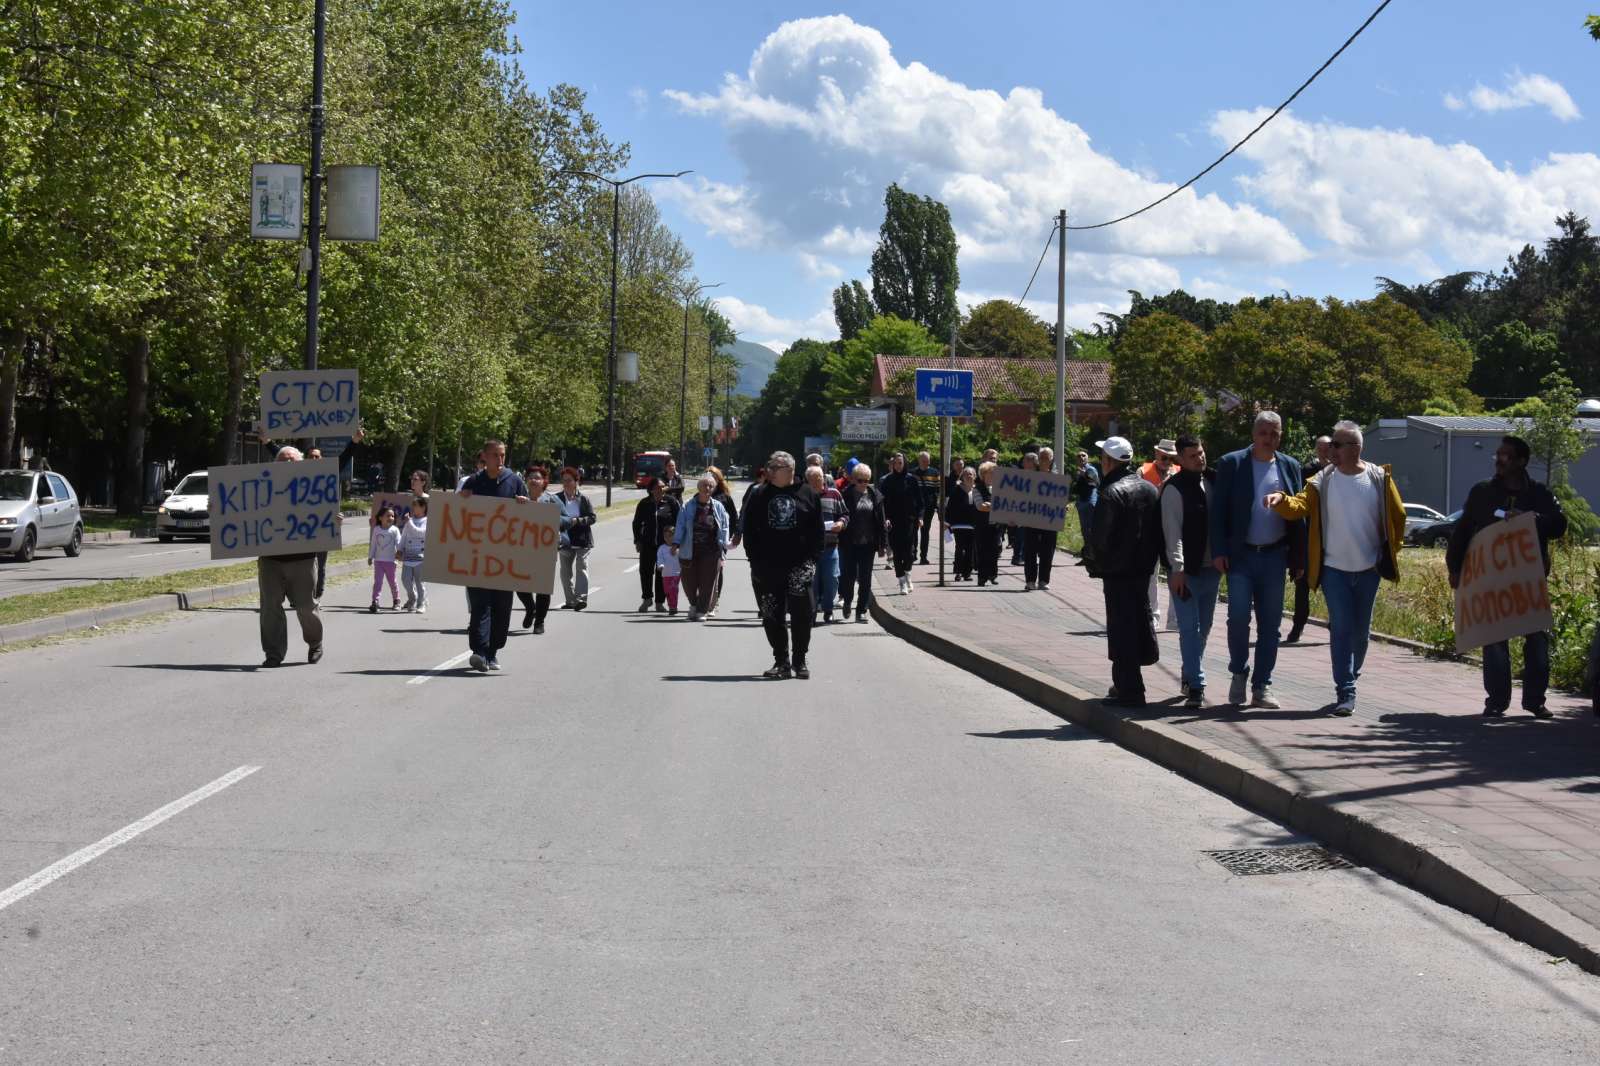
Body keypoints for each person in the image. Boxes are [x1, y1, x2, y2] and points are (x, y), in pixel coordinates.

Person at [1265, 421, 1407, 716]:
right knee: (1341, 629)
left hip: (1369, 570)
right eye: (1330, 446)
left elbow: (1398, 515)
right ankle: (1346, 690)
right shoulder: (1322, 480)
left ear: (1355, 448)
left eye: (1337, 445)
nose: (1331, 451)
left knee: (1361, 633)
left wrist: (1391, 551)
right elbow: (1300, 505)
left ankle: (1351, 676)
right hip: (1333, 570)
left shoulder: (1379, 478)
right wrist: (1280, 501)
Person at [1447, 434, 1569, 719]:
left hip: (1528, 580)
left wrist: (1531, 518)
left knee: (1537, 638)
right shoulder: (1482, 492)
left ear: (1521, 461)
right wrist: (1455, 567)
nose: (1499, 460)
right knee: (1495, 641)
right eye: (1498, 455)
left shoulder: (1539, 493)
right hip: (1492, 580)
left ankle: (1535, 701)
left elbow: (1559, 525)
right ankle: (1496, 702)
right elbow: (1463, 531)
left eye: (1506, 456)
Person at [1210, 411, 1304, 709]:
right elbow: (1219, 513)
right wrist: (1219, 551)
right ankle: (1239, 672)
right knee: (1238, 618)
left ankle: (1262, 685)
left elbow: (1299, 513)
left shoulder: (1290, 466)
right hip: (1241, 555)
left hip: (1275, 556)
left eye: (1275, 433)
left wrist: (1298, 558)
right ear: (1253, 434)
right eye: (1264, 432)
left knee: (1271, 625)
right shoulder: (1231, 463)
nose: (1269, 439)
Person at [1086, 436, 1162, 706]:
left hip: (1117, 572)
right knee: (1138, 621)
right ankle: (1129, 684)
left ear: (1108, 461)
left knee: (1121, 629)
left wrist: (1095, 565)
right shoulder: (1150, 490)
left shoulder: (1111, 492)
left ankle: (1129, 689)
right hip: (1143, 570)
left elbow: (1100, 539)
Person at [742, 451, 823, 677]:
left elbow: (818, 532)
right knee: (771, 614)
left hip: (800, 566)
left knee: (802, 614)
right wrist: (754, 559)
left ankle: (800, 660)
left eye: (773, 467)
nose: (767, 470)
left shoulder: (808, 494)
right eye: (769, 466)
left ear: (789, 470)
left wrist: (812, 561)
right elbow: (748, 529)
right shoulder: (759, 495)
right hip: (767, 566)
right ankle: (781, 661)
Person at [457, 439, 531, 672]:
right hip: (478, 557)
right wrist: (463, 501)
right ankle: (479, 652)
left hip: (505, 559)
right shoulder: (474, 481)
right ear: (484, 457)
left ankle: (493, 652)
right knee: (480, 606)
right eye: (495, 455)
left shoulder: (515, 482)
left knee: (502, 607)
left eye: (502, 455)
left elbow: (530, 518)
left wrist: (524, 503)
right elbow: (458, 514)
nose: (500, 460)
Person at [1161, 435, 1220, 709]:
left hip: (1212, 570)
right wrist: (1178, 568)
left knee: (1204, 628)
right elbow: (1174, 533)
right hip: (1186, 573)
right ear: (1180, 460)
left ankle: (1189, 672)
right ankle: (1197, 685)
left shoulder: (1213, 481)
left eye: (1201, 452)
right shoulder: (1173, 489)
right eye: (1193, 455)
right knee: (1188, 628)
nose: (1200, 458)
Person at [257, 445, 324, 667]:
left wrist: (333, 522)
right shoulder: (260, 488)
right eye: (283, 460)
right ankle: (273, 654)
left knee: (306, 606)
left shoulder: (313, 487)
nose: (287, 464)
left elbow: (324, 513)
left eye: (292, 460)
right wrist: (219, 512)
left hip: (303, 559)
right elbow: (241, 511)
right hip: (271, 560)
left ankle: (315, 643)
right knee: (270, 609)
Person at [1286, 435, 1335, 644]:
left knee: (1332, 586)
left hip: (1331, 539)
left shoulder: (1339, 472)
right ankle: (1297, 627)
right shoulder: (1306, 471)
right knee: (1302, 584)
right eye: (1321, 448)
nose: (1324, 452)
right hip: (1308, 537)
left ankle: (1336, 627)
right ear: (1316, 450)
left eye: (1328, 448)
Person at [516, 466, 566, 635]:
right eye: (530, 477)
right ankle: (531, 608)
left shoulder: (551, 500)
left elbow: (566, 519)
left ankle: (539, 622)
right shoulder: (519, 499)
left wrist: (553, 518)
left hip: (546, 549)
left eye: (537, 477)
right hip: (523, 549)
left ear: (545, 481)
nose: (534, 480)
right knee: (519, 583)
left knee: (542, 588)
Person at [672, 473, 730, 621]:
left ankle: (702, 611)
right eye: (705, 485)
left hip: (711, 550)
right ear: (698, 487)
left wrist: (724, 547)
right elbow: (680, 525)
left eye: (711, 486)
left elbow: (724, 527)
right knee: (688, 580)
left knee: (708, 582)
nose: (708, 488)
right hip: (690, 549)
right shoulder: (688, 506)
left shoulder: (718, 507)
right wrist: (676, 543)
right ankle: (693, 604)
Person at [839, 462, 886, 621]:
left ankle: (862, 610)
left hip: (869, 543)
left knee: (865, 578)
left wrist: (882, 544)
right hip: (850, 542)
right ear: (853, 479)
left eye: (866, 480)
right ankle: (847, 601)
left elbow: (881, 520)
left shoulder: (875, 495)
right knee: (848, 576)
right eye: (860, 480)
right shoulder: (845, 495)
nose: (863, 483)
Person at [632, 477, 680, 612]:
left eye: (663, 487)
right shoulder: (644, 503)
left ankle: (660, 602)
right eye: (657, 488)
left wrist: (676, 542)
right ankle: (647, 599)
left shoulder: (671, 502)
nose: (660, 490)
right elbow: (636, 523)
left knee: (661, 573)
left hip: (665, 546)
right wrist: (637, 540)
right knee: (645, 572)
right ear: (651, 489)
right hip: (647, 544)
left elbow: (679, 522)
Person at [878, 451, 923, 594]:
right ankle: (902, 581)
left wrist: (920, 517)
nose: (898, 466)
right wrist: (885, 518)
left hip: (910, 521)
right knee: (897, 552)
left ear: (904, 464)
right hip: (893, 522)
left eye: (900, 463)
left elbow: (920, 501)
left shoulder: (912, 480)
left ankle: (908, 573)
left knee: (910, 552)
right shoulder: (887, 481)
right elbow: (882, 502)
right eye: (896, 463)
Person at [807, 465, 847, 624]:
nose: (817, 483)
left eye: (819, 479)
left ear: (823, 479)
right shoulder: (804, 495)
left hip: (831, 546)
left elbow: (845, 514)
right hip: (810, 549)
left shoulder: (834, 494)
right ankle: (812, 610)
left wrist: (841, 523)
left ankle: (828, 609)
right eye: (813, 480)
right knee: (813, 581)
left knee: (832, 578)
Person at [555, 467, 596, 611]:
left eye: (569, 480)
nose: (566, 483)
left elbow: (592, 518)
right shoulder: (557, 498)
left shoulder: (584, 499)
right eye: (564, 480)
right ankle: (570, 600)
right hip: (565, 539)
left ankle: (581, 599)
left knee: (581, 567)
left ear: (576, 482)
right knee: (565, 572)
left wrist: (577, 521)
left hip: (582, 539)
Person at [1022, 446, 1058, 591]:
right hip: (1031, 519)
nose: (1044, 460)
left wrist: (1062, 506)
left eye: (1046, 458)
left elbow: (1060, 498)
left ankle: (1043, 580)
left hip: (1050, 520)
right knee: (1030, 550)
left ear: (1051, 460)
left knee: (1047, 550)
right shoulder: (1029, 476)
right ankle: (1030, 580)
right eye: (1041, 457)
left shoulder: (1056, 478)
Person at [706, 465, 740, 617]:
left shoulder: (724, 498)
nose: (709, 479)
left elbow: (734, 518)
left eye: (713, 476)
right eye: (707, 476)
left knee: (717, 570)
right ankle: (703, 600)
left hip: (719, 541)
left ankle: (714, 601)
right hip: (701, 540)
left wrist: (731, 535)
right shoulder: (700, 495)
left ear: (718, 480)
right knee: (702, 570)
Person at [945, 466, 981, 581]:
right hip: (959, 524)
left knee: (970, 549)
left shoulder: (977, 491)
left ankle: (967, 573)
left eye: (971, 474)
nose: (969, 476)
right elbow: (949, 507)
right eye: (966, 474)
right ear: (962, 477)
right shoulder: (956, 490)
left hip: (973, 525)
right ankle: (958, 572)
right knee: (960, 548)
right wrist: (947, 522)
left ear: (975, 477)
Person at [367, 505, 401, 613]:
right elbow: (373, 544)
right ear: (380, 517)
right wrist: (370, 556)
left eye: (392, 516)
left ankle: (396, 600)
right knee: (378, 582)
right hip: (379, 561)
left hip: (391, 561)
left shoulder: (395, 530)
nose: (391, 518)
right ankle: (375, 602)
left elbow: (399, 543)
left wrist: (399, 554)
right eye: (388, 515)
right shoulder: (376, 529)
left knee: (392, 582)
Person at [974, 461, 1003, 586]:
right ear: (983, 475)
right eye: (990, 473)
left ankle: (993, 575)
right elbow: (980, 506)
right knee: (983, 551)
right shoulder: (977, 489)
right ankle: (982, 577)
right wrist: (996, 506)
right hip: (982, 525)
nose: (992, 476)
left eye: (994, 474)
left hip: (996, 525)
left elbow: (1005, 506)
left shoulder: (1000, 489)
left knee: (995, 551)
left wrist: (990, 505)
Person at [399, 496, 428, 614]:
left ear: (423, 507)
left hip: (421, 557)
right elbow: (404, 535)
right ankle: (412, 598)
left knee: (420, 583)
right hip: (408, 556)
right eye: (413, 506)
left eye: (416, 506)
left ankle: (421, 603)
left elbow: (420, 533)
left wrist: (409, 522)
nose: (413, 508)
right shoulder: (409, 521)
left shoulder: (427, 521)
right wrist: (400, 549)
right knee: (405, 579)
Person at [912, 451, 942, 565]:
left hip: (929, 507)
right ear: (919, 460)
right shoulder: (912, 473)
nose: (926, 463)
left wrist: (937, 506)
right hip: (915, 507)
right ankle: (913, 553)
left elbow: (938, 491)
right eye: (924, 461)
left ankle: (923, 556)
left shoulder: (934, 473)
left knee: (925, 532)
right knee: (914, 531)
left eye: (927, 461)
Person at [1071, 450, 1100, 563]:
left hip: (1089, 502)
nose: (1081, 457)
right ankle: (1087, 556)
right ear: (1076, 460)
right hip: (1082, 502)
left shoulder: (1090, 469)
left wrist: (1085, 475)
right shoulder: (1078, 472)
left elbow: (1096, 482)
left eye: (1084, 455)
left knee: (1090, 530)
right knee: (1085, 531)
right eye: (1079, 456)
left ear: (1088, 458)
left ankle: (1093, 557)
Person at [655, 540, 682, 614]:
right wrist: (660, 565)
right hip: (666, 574)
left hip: (676, 573)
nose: (668, 538)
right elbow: (660, 558)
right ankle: (671, 605)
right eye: (666, 536)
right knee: (667, 591)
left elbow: (681, 558)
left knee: (673, 589)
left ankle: (673, 607)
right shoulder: (662, 548)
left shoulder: (678, 548)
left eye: (670, 536)